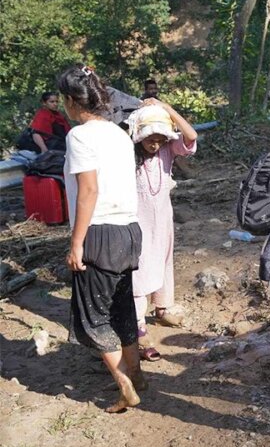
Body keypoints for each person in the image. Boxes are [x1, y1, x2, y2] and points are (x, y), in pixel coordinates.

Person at [59, 65, 145, 413]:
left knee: (94, 315)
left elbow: (88, 191)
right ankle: (137, 374)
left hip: (99, 232)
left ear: (69, 100)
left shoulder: (79, 136)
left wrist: (76, 242)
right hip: (128, 230)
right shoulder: (118, 133)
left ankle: (125, 386)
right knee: (122, 307)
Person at [128, 101, 198, 361]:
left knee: (163, 260)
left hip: (163, 217)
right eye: (150, 138)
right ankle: (137, 323)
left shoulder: (168, 151)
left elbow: (191, 136)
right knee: (139, 267)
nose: (154, 143)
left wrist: (165, 107)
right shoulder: (127, 152)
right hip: (137, 220)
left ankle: (162, 306)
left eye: (159, 138)